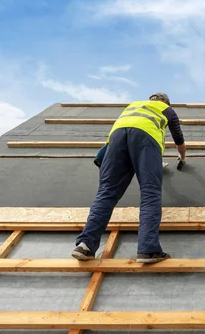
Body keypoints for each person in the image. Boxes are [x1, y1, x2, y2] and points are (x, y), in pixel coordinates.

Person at [72, 92, 186, 263]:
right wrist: (182, 158)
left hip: (116, 141)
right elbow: (178, 138)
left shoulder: (133, 106)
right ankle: (148, 249)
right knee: (150, 193)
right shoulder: (167, 110)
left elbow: (120, 134)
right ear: (167, 102)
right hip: (146, 140)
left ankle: (85, 245)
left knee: (106, 192)